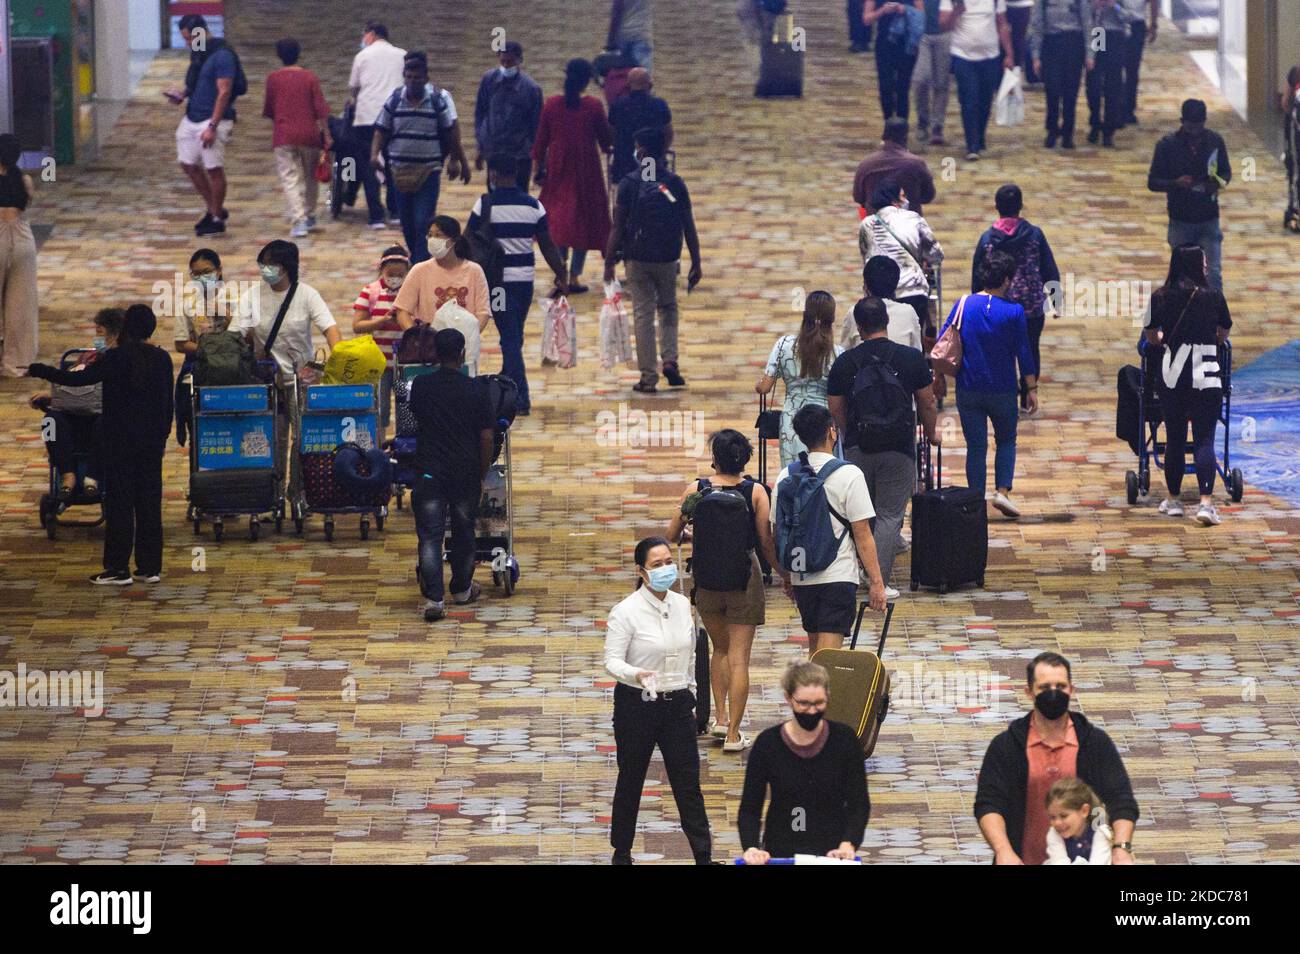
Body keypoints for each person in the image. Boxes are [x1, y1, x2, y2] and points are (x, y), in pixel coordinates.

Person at [28, 306, 174, 585]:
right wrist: (163, 436)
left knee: (120, 504)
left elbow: (77, 380)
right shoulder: (162, 359)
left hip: (119, 441)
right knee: (149, 504)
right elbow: (167, 405)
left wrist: (43, 371)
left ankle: (118, 568)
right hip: (151, 444)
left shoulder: (116, 358)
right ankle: (150, 567)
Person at [604, 536, 714, 865]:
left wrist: (691, 693)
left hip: (677, 704)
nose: (666, 568)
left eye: (669, 562)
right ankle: (621, 852)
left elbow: (691, 651)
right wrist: (636, 674)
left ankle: (703, 856)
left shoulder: (682, 604)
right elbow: (611, 661)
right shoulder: (626, 611)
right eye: (657, 565)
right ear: (641, 571)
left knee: (688, 782)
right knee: (631, 778)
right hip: (636, 705)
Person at [667, 430, 776, 752]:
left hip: (707, 577)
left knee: (720, 650)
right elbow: (764, 540)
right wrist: (783, 573)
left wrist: (695, 538)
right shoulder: (755, 492)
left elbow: (672, 533)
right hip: (744, 578)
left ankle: (720, 718)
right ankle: (734, 735)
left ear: (714, 458)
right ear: (745, 459)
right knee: (740, 659)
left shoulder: (697, 489)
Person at [974, 651, 1138, 865]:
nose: (1053, 694)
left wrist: (1121, 848)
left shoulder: (1095, 743)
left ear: (1072, 689)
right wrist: (1003, 851)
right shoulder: (1006, 746)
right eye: (1044, 688)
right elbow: (989, 804)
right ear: (1029, 692)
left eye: (1060, 686)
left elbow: (1121, 800)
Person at [827, 297, 937, 594]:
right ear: (886, 322)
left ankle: (862, 571)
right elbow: (927, 400)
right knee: (890, 514)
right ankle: (880, 580)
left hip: (858, 446)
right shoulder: (910, 358)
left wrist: (849, 432)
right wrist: (932, 432)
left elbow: (835, 406)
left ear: (859, 328)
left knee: (861, 513)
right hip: (899, 446)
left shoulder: (845, 362)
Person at [772, 405, 888, 655]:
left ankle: (810, 693)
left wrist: (787, 575)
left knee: (815, 650)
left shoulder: (786, 476)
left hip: (803, 576)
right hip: (838, 574)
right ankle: (817, 695)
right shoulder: (849, 474)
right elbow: (862, 533)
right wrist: (877, 583)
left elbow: (777, 531)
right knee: (829, 656)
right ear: (831, 432)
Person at [239, 240, 341, 503]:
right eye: (263, 263)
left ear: (286, 268)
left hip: (301, 379)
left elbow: (329, 328)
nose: (265, 269)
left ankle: (297, 493)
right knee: (271, 439)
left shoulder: (307, 295)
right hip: (267, 380)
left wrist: (340, 356)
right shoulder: (252, 295)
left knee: (302, 438)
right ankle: (272, 496)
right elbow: (235, 335)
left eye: (271, 264)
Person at [738, 661, 870, 863]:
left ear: (828, 697)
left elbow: (859, 803)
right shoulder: (768, 744)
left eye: (819, 703)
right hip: (781, 848)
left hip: (832, 850)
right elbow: (750, 807)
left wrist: (849, 842)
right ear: (788, 699)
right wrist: (751, 847)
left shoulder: (845, 740)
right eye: (804, 704)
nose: (811, 711)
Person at [937, 249, 1037, 517]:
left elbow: (942, 340)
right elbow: (1024, 353)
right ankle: (1002, 492)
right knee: (1006, 440)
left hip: (968, 389)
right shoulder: (1014, 312)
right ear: (1006, 280)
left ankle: (975, 498)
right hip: (1003, 389)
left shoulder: (963, 304)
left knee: (976, 446)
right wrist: (1032, 388)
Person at [603, 126, 702, 393]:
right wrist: (696, 260)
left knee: (643, 313)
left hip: (637, 257)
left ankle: (648, 376)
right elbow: (688, 224)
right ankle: (670, 359)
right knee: (668, 307)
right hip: (667, 257)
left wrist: (609, 260)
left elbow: (618, 226)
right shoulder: (674, 183)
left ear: (643, 151)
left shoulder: (629, 184)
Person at [467, 159, 568, 415]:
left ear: (494, 173)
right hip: (524, 282)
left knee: (510, 338)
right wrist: (561, 273)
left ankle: (520, 397)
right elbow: (547, 244)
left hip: (498, 283)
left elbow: (468, 239)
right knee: (513, 336)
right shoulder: (534, 206)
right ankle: (508, 378)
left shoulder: (485, 204)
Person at [409, 328, 495, 622]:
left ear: (434, 353)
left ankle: (434, 599)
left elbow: (415, 420)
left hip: (429, 471)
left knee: (430, 537)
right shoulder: (477, 390)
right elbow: (486, 437)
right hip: (464, 471)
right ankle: (461, 589)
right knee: (463, 531)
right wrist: (481, 472)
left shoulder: (420, 386)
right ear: (462, 354)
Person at [1142, 245, 1231, 526]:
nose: (1206, 266)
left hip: (1172, 374)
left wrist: (1165, 340)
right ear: (1196, 264)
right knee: (1205, 438)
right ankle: (1205, 503)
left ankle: (1174, 499)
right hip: (1205, 372)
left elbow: (1151, 336)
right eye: (1203, 261)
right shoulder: (1213, 296)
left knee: (1176, 438)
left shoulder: (1159, 297)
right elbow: (1223, 331)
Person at [373, 51, 469, 264]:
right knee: (406, 223)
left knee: (422, 222)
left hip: (428, 170)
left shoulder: (438, 99)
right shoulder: (395, 99)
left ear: (426, 78)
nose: (412, 81)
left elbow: (451, 130)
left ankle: (419, 265)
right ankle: (418, 260)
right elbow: (381, 129)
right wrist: (374, 154)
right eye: (409, 77)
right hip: (399, 171)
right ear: (404, 76)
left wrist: (457, 159)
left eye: (417, 77)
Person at [970, 184, 1060, 412]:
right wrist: (1056, 300)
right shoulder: (1035, 235)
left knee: (1002, 351)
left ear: (996, 207)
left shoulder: (988, 238)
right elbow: (1049, 269)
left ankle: (1006, 397)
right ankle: (1028, 396)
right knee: (1030, 348)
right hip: (1030, 305)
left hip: (997, 305)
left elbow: (978, 274)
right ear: (1020, 206)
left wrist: (976, 303)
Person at [532, 59, 613, 295]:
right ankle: (574, 275)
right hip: (587, 171)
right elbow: (606, 140)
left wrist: (538, 170)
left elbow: (540, 142)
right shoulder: (594, 106)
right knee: (584, 221)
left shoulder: (552, 105)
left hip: (559, 169)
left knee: (558, 221)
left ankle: (561, 272)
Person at [29, 309, 116, 499]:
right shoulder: (84, 359)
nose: (96, 339)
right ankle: (67, 474)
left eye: (99, 333)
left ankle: (92, 477)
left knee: (108, 423)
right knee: (49, 423)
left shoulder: (116, 362)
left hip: (98, 419)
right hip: (70, 416)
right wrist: (51, 397)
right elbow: (70, 384)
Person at [1147, 99, 1231, 291]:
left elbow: (1226, 173)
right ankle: (1184, 317)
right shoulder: (1167, 146)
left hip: (1208, 216)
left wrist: (1216, 183)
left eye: (1199, 127)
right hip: (1181, 218)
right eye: (1191, 127)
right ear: (1182, 121)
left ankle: (1214, 316)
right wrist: (1175, 183)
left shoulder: (1214, 142)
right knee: (1182, 278)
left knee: (1213, 274)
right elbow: (1153, 182)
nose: (1195, 133)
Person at [169, 14, 242, 236]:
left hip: (212, 120)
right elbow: (196, 81)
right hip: (192, 115)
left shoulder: (223, 56)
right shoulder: (199, 53)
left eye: (189, 37)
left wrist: (212, 126)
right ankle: (214, 207)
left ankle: (217, 217)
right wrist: (182, 95)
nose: (187, 42)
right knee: (187, 163)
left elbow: (224, 92)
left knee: (213, 168)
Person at [392, 217, 492, 376]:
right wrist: (418, 338)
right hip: (427, 353)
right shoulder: (419, 270)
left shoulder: (474, 271)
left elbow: (483, 312)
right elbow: (402, 310)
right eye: (430, 235)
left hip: (463, 351)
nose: (433, 240)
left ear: (453, 240)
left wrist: (468, 338)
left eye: (438, 235)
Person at [757, 291, 845, 466]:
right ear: (832, 319)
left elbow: (765, 387)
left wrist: (757, 385)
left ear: (805, 315)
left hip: (792, 422)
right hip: (825, 423)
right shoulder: (838, 354)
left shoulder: (784, 345)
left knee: (794, 474)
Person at [263, 38, 331, 238]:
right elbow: (320, 109)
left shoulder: (273, 79)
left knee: (290, 178)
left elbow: (270, 109)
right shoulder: (310, 78)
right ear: (298, 53)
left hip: (284, 134)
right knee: (311, 176)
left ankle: (298, 219)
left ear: (279, 56)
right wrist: (326, 133)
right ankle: (309, 214)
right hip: (309, 133)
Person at [858, 179, 943, 329]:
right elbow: (936, 254)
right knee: (913, 342)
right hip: (913, 288)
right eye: (903, 196)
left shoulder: (867, 224)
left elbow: (866, 258)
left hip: (880, 293)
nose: (906, 200)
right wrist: (921, 256)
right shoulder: (914, 219)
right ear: (894, 199)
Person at [348, 21, 406, 229]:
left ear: (371, 34)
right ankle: (396, 210)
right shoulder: (402, 55)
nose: (363, 40)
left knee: (367, 166)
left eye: (364, 35)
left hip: (367, 117)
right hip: (395, 117)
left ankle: (376, 216)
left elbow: (354, 87)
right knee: (394, 164)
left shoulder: (362, 56)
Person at [941, 0, 1014, 161]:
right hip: (963, 55)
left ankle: (979, 135)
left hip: (990, 55)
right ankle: (971, 144)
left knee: (985, 100)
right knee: (969, 100)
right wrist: (957, 11)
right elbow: (944, 25)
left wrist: (1009, 54)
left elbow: (1002, 23)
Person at [352, 245, 411, 437]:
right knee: (379, 411)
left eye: (400, 274)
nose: (395, 278)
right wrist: (382, 321)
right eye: (390, 273)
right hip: (379, 365)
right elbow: (357, 325)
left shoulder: (412, 291)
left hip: (406, 363)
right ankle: (380, 447)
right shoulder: (370, 291)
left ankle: (404, 450)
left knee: (407, 412)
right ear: (381, 270)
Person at [474, 42, 544, 191]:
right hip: (494, 151)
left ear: (519, 61)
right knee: (494, 194)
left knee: (519, 195)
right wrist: (481, 146)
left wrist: (537, 160)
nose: (506, 66)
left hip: (520, 154)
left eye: (510, 62)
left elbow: (536, 126)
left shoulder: (531, 89)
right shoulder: (489, 80)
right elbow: (481, 112)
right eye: (503, 61)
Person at [0, 133, 38, 377]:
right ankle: (16, 363)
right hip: (23, 238)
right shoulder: (23, 179)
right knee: (21, 304)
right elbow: (28, 202)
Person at [1029, 0, 1091, 149]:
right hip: (1051, 44)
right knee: (1052, 90)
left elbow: (1088, 25)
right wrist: (1036, 55)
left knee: (1071, 92)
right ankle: (1052, 129)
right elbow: (1037, 25)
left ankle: (1068, 132)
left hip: (1073, 44)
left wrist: (1091, 54)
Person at [852, 119, 937, 217]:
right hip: (909, 224)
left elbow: (858, 197)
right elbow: (928, 195)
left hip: (876, 223)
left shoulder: (867, 164)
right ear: (906, 137)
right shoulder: (916, 164)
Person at [607, 67, 673, 183]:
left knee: (626, 196)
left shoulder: (618, 105)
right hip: (652, 162)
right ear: (650, 84)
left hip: (624, 164)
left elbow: (611, 133)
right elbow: (668, 133)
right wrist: (661, 152)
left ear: (628, 84)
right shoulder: (659, 105)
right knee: (650, 192)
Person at [866, 2, 922, 122]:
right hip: (884, 44)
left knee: (903, 87)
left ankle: (902, 127)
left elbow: (922, 14)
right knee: (885, 86)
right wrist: (882, 11)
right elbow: (866, 18)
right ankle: (888, 123)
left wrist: (905, 9)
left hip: (907, 44)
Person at [1084, 0, 1127, 147]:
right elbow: (1081, 15)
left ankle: (1109, 130)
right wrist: (1093, 6)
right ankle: (1095, 121)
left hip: (1115, 35)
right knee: (1093, 82)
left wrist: (1113, 5)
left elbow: (1131, 17)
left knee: (1113, 85)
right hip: (1098, 34)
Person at [911, 0, 954, 145]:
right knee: (921, 78)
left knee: (941, 83)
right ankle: (923, 120)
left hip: (945, 34)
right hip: (923, 34)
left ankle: (937, 125)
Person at [1044, 778, 1114, 864]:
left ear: (1084, 811)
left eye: (1064, 816)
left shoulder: (1100, 831)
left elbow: (1099, 862)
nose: (1057, 822)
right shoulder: (1054, 834)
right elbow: (1059, 862)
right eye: (1052, 817)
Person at [1119, 0, 1157, 127]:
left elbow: (1153, 2)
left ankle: (1128, 109)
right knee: (1112, 69)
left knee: (1132, 69)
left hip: (1136, 26)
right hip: (1111, 26)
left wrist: (1154, 24)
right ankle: (1114, 108)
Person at [607, 0, 655, 71]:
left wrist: (610, 40)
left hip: (623, 35)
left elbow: (616, 13)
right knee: (643, 74)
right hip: (642, 35)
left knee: (620, 74)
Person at [1286, 65, 1300, 234]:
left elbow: (1285, 103)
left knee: (1295, 172)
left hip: (1296, 133)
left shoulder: (1296, 72)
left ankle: (1295, 212)